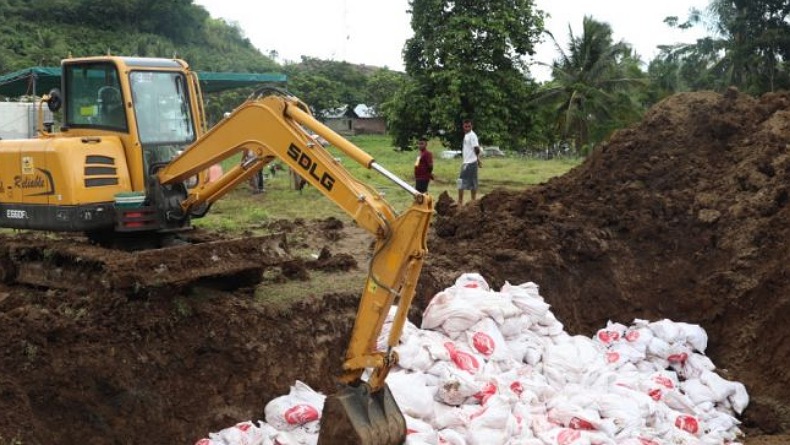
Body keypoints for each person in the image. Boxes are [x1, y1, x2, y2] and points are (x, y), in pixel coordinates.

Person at [457, 119, 481, 205]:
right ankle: (465, 201)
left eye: (469, 126)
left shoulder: (472, 135)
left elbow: (476, 148)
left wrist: (476, 159)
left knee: (465, 182)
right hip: (467, 162)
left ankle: (467, 201)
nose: (467, 128)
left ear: (472, 126)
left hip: (470, 163)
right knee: (466, 182)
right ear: (463, 126)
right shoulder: (466, 135)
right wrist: (478, 159)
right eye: (465, 126)